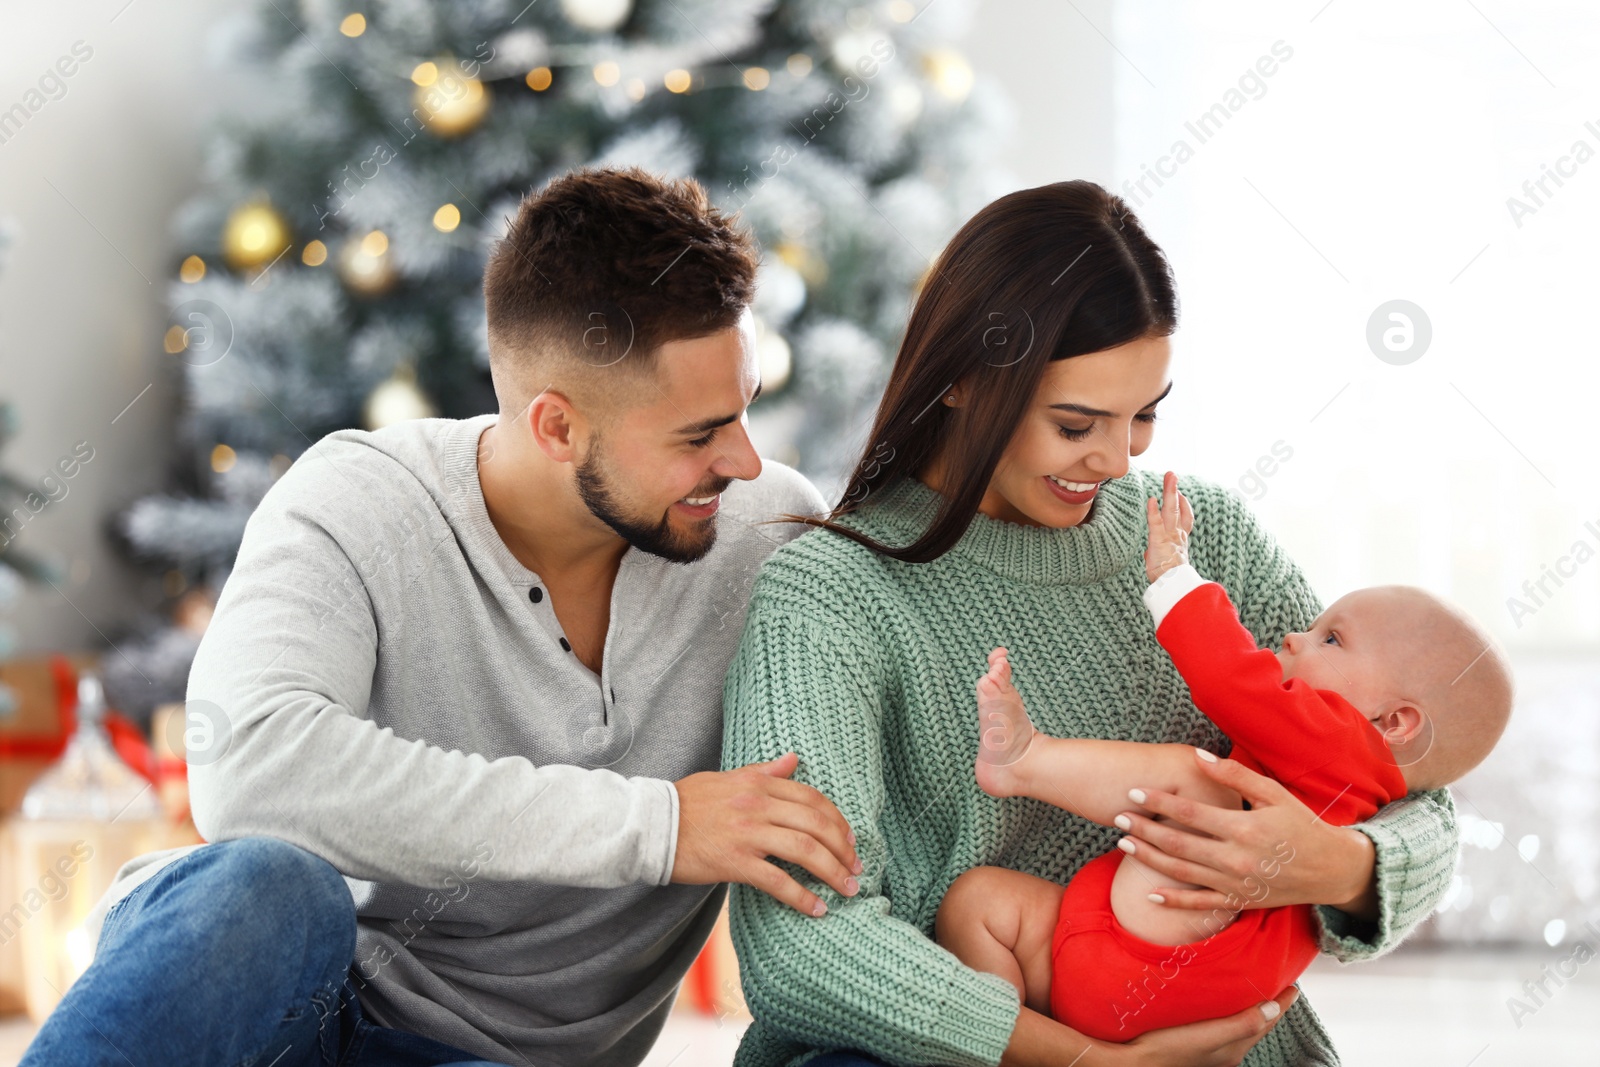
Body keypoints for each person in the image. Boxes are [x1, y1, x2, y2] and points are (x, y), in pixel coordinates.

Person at [22, 167, 863, 1067]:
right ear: (555, 428)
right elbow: (252, 765)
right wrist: (658, 827)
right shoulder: (359, 500)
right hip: (284, 1012)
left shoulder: (767, 537)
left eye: (744, 411)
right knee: (270, 884)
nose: (742, 460)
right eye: (698, 435)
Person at [719, 179, 1462, 1067]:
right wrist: (1077, 1061)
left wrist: (1337, 866)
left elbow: (1412, 779)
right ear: (961, 379)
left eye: (1144, 414)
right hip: (951, 1045)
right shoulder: (831, 594)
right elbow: (799, 942)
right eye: (1078, 424)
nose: (1118, 460)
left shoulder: (1198, 541)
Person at [936, 470, 1513, 1042]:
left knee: (1198, 776)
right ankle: (1032, 1050)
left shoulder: (1347, 743)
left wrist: (1172, 576)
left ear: (1394, 724)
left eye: (1330, 639)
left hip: (1172, 960)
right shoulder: (1352, 765)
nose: (1292, 637)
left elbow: (1229, 677)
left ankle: (1028, 760)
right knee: (977, 902)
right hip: (1127, 970)